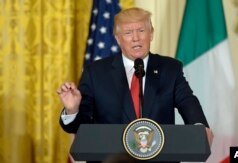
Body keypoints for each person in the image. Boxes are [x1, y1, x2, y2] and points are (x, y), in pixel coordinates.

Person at [57, 7, 213, 162]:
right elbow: (77, 128)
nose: (136, 38)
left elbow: (187, 101)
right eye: (128, 33)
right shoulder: (96, 72)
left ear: (151, 34)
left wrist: (199, 127)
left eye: (141, 30)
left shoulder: (170, 68)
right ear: (118, 39)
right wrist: (72, 109)